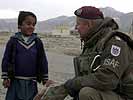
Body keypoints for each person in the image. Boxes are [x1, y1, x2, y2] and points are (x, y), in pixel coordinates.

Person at [42, 6, 133, 100]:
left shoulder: (115, 43)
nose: (76, 28)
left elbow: (107, 79)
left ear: (88, 25)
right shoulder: (93, 43)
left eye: (78, 24)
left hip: (123, 96)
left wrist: (71, 85)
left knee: (87, 93)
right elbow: (86, 78)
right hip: (109, 93)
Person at [1, 11, 50, 100]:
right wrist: (5, 77)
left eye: (33, 25)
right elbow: (6, 59)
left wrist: (44, 77)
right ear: (20, 25)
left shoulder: (37, 42)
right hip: (15, 81)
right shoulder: (13, 41)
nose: (31, 27)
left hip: (31, 82)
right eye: (28, 24)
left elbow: (42, 60)